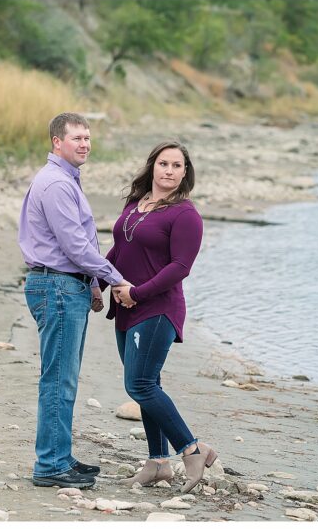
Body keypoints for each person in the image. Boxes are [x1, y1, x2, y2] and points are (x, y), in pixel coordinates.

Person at [18, 112, 131, 488]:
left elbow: (72, 245)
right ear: (56, 142)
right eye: (76, 138)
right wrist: (114, 279)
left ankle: (59, 456)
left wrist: (93, 285)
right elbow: (75, 245)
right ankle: (50, 465)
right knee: (58, 380)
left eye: (87, 138)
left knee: (63, 378)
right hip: (56, 288)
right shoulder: (55, 184)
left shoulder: (66, 180)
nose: (84, 144)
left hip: (66, 286)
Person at [101, 140, 217, 493]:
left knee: (140, 384)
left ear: (185, 173)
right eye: (163, 164)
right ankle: (157, 463)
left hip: (157, 309)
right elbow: (119, 249)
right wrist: (99, 279)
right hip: (127, 308)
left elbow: (180, 267)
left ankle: (193, 449)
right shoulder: (135, 205)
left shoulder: (185, 215)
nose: (168, 171)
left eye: (176, 166)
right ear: (152, 166)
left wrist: (136, 293)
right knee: (148, 385)